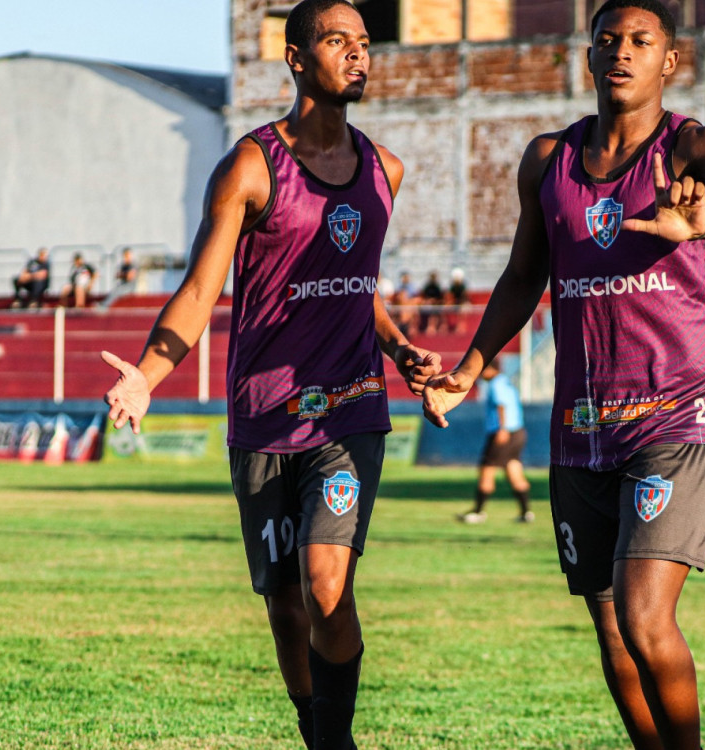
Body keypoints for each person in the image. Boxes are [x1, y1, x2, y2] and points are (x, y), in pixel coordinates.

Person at [422, 1, 705, 746]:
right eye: (607, 40)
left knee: (647, 621)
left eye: (640, 41)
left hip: (677, 422)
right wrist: (469, 367)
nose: (621, 52)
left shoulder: (693, 148)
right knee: (614, 633)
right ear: (587, 57)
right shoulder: (548, 160)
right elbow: (524, 276)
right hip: (581, 431)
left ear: (669, 61)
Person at [99, 2, 440, 748]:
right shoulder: (251, 167)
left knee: (326, 584)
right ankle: (314, 730)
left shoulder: (386, 169)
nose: (357, 54)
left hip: (350, 411)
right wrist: (149, 375)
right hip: (265, 415)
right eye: (335, 41)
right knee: (286, 601)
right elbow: (199, 290)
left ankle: (334, 738)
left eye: (363, 42)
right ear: (295, 57)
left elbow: (356, 288)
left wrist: (399, 349)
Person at [458, 358, 534, 524]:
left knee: (487, 468)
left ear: (489, 369)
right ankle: (526, 512)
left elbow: (501, 405)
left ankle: (478, 512)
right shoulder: (506, 382)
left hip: (503, 432)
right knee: (513, 469)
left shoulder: (496, 384)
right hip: (518, 432)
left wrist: (502, 428)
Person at [417, 270, 444, 334]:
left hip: (437, 305)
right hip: (428, 304)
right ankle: (428, 327)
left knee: (435, 310)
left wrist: (434, 301)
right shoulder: (427, 286)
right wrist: (428, 301)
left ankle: (433, 327)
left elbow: (441, 298)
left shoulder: (438, 287)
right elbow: (423, 297)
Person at [445, 267, 469, 333]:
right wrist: (450, 303)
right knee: (445, 308)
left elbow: (465, 298)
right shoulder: (453, 286)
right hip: (455, 302)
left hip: (462, 303)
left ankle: (461, 326)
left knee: (463, 309)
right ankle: (445, 326)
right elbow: (450, 296)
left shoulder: (463, 286)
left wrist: (460, 302)